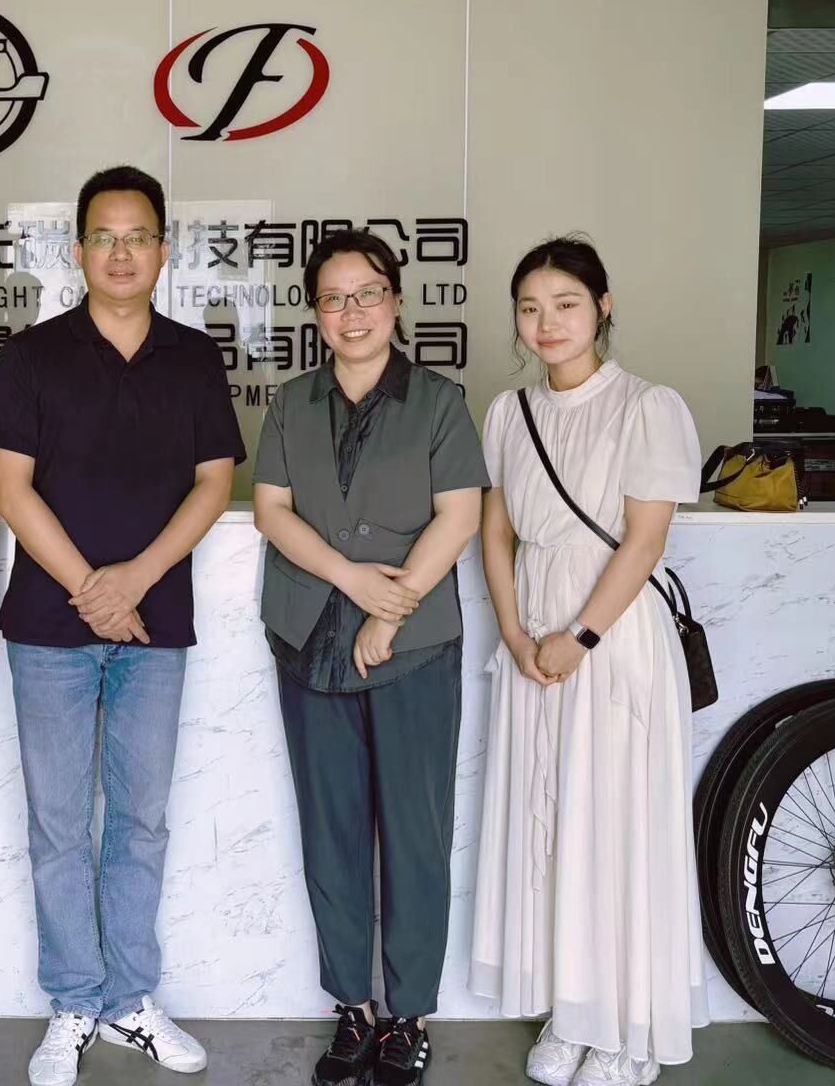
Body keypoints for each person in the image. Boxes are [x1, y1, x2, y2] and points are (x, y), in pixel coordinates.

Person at [0, 165, 244, 1086]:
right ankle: (73, 1002)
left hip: (155, 625)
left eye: (137, 237)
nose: (121, 253)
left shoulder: (192, 357)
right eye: (103, 237)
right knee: (58, 825)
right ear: (77, 250)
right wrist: (93, 588)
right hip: (48, 629)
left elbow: (213, 482)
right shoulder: (32, 356)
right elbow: (9, 488)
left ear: (163, 251)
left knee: (139, 820)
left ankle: (129, 998)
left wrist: (135, 579)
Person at [469, 237, 707, 1086]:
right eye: (529, 308)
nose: (547, 323)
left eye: (565, 304)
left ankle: (626, 1029)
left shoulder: (648, 406)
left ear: (602, 307)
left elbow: (644, 541)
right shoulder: (508, 412)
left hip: (611, 642)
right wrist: (514, 633)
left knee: (615, 826)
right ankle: (570, 1011)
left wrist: (579, 637)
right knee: (551, 822)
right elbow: (496, 532)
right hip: (533, 641)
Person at [251, 229, 485, 1086]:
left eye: (367, 293)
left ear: (395, 300)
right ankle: (351, 1007)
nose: (352, 312)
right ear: (316, 312)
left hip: (412, 647)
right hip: (308, 637)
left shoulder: (438, 401)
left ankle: (407, 1015)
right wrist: (349, 578)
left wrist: (391, 609)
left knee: (415, 836)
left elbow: (458, 515)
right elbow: (272, 510)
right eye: (333, 298)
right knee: (333, 833)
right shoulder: (291, 403)